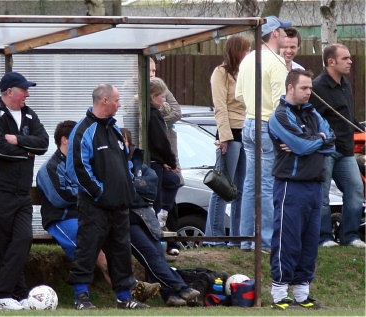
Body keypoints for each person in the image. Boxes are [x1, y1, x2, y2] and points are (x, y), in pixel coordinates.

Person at [37, 121, 161, 305]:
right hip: (62, 219)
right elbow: (60, 198)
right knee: (91, 246)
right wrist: (84, 192)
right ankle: (124, 290)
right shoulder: (49, 168)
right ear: (65, 140)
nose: (82, 143)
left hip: (86, 214)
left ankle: (126, 294)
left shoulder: (84, 162)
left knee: (114, 242)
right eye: (76, 139)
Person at [66, 84, 147, 310]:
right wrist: (100, 192)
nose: (119, 104)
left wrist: (127, 184)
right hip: (95, 206)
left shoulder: (114, 130)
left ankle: (124, 297)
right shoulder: (83, 130)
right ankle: (81, 297)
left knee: (121, 251)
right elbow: (77, 169)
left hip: (120, 206)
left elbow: (126, 162)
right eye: (116, 100)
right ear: (104, 101)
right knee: (87, 249)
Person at [0, 71, 49, 310]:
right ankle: (11, 295)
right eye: (24, 90)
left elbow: (43, 143)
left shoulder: (29, 114)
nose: (27, 94)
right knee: (6, 247)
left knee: (23, 239)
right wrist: (28, 152)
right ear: (10, 92)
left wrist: (18, 141)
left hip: (21, 194)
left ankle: (4, 294)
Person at [268, 69, 334, 309]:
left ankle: (302, 294)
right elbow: (300, 145)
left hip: (315, 185)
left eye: (310, 88)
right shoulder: (279, 115)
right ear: (290, 88)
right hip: (290, 186)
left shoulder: (313, 112)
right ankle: (279, 293)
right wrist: (316, 140)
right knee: (288, 239)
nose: (309, 92)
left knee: (309, 241)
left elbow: (331, 141)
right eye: (304, 88)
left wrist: (313, 140)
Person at [120, 128, 202, 307]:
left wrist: (133, 190)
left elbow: (151, 189)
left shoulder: (138, 164)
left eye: (125, 141)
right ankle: (181, 287)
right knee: (151, 255)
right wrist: (134, 190)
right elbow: (122, 194)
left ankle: (169, 295)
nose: (123, 145)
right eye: (120, 141)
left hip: (145, 218)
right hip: (125, 220)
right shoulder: (113, 166)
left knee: (158, 253)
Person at [235, 15, 291, 253]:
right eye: (284, 32)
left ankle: (247, 239)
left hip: (248, 122)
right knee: (267, 184)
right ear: (275, 33)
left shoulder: (248, 59)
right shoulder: (276, 62)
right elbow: (283, 103)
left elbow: (238, 95)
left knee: (250, 184)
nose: (287, 36)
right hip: (268, 124)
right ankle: (266, 240)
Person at [310, 44, 366, 249]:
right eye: (345, 58)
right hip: (325, 151)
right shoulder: (316, 88)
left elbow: (348, 116)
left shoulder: (345, 84)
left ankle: (350, 236)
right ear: (331, 62)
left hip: (345, 149)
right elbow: (311, 120)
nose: (350, 61)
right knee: (322, 195)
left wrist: (361, 130)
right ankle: (324, 237)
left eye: (350, 58)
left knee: (356, 188)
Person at [205, 35, 251, 247]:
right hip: (229, 133)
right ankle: (214, 236)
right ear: (236, 51)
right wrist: (224, 137)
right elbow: (220, 106)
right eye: (245, 50)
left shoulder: (246, 72)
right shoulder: (220, 73)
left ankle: (236, 237)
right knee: (223, 185)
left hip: (246, 132)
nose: (248, 53)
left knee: (241, 187)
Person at [149, 58, 182, 256]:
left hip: (161, 160)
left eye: (154, 70)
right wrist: (169, 161)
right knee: (156, 197)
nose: (164, 101)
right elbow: (160, 142)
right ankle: (158, 237)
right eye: (161, 98)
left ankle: (164, 221)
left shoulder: (156, 111)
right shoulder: (153, 115)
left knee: (172, 182)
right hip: (155, 160)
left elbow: (176, 110)